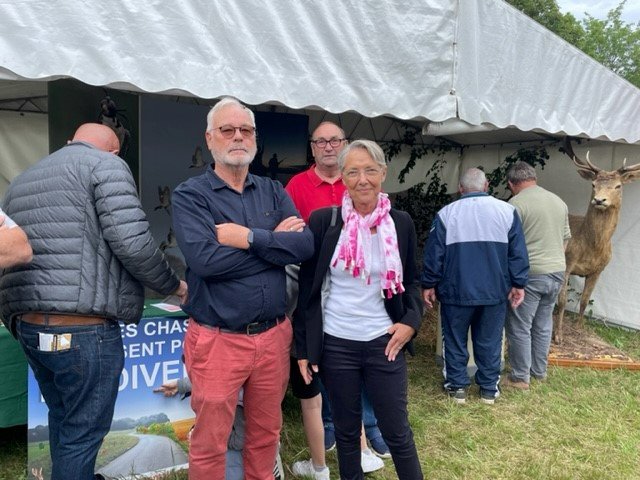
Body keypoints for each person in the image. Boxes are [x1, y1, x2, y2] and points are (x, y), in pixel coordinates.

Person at [0, 123, 187, 480]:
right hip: (84, 328)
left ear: (72, 141)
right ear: (115, 151)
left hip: (27, 322)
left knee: (63, 416)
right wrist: (174, 285)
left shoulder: (23, 178)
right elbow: (132, 243)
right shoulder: (107, 166)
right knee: (82, 433)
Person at [171, 97, 314, 480]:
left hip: (272, 337)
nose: (238, 136)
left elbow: (304, 246)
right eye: (227, 129)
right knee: (211, 439)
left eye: (246, 130)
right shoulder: (191, 196)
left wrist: (248, 238)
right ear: (210, 138)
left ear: (255, 137)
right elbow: (206, 263)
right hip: (218, 340)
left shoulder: (271, 189)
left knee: (265, 434)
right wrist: (273, 247)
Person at [295, 139, 424, 480]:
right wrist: (304, 348)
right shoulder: (325, 222)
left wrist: (410, 322)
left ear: (383, 173)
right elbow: (307, 290)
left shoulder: (401, 223)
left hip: (384, 341)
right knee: (347, 432)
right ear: (343, 177)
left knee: (397, 431)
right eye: (353, 171)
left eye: (370, 170)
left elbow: (411, 281)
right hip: (337, 343)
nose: (362, 179)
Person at [285, 122, 387, 479]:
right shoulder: (296, 187)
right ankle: (332, 430)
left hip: (361, 298)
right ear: (312, 148)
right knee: (322, 363)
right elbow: (292, 240)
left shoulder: (360, 184)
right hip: (317, 294)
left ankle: (369, 430)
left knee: (361, 365)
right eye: (321, 141)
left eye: (335, 141)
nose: (328, 146)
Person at [421, 167, 529, 405]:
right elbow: (518, 254)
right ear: (486, 185)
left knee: (455, 339)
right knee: (490, 340)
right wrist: (518, 283)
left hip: (455, 291)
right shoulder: (507, 211)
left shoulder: (446, 213)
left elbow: (434, 255)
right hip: (494, 292)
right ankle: (489, 389)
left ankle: (457, 387)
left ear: (460, 188)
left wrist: (429, 283)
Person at [503, 161, 570, 389]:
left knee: (520, 325)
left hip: (530, 274)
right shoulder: (559, 201)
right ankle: (539, 372)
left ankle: (520, 377)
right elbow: (565, 240)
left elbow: (509, 245)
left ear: (512, 184)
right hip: (557, 271)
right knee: (543, 324)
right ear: (535, 179)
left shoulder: (515, 205)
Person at [154, 379, 284, 480]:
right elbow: (214, 377)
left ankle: (270, 465)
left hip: (246, 441)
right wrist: (181, 384)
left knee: (227, 468)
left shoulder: (248, 408)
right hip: (240, 427)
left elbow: (240, 441)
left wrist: (206, 435)